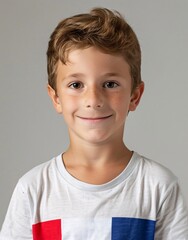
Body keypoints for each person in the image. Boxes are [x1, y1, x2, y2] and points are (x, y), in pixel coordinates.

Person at [0, 7, 188, 240]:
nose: (93, 100)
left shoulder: (159, 187)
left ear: (134, 96)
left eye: (110, 84)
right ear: (56, 98)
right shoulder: (33, 189)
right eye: (76, 85)